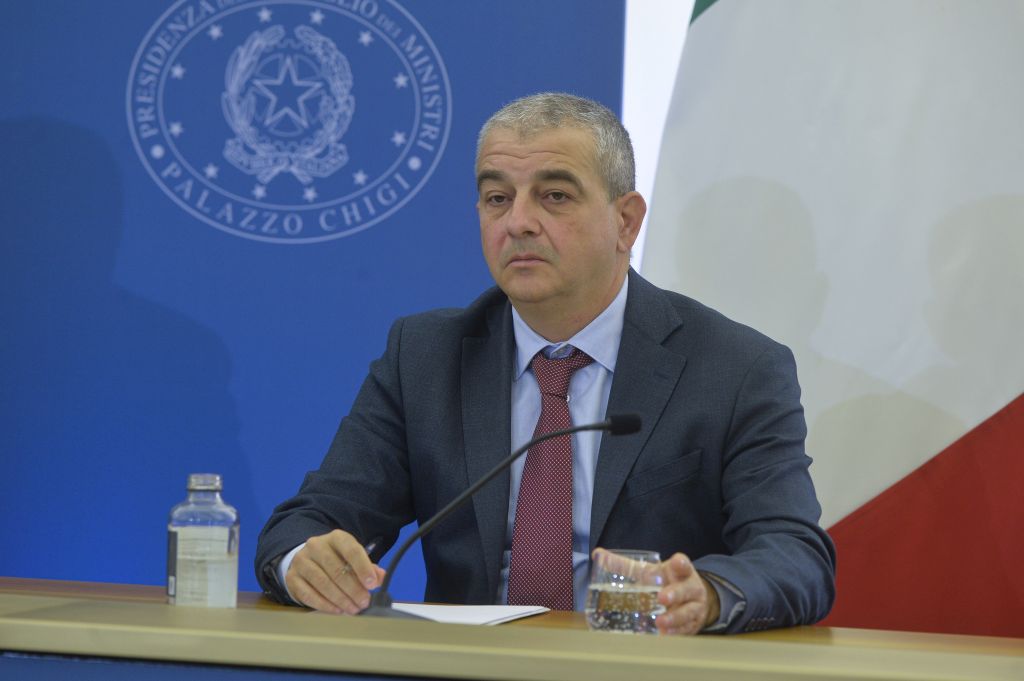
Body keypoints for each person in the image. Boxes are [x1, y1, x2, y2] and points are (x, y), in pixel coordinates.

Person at [255, 93, 836, 634]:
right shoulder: (425, 357)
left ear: (626, 222)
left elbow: (794, 554)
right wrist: (306, 560)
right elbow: (308, 522)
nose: (518, 222)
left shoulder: (735, 369)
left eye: (554, 196)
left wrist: (707, 594)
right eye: (497, 198)